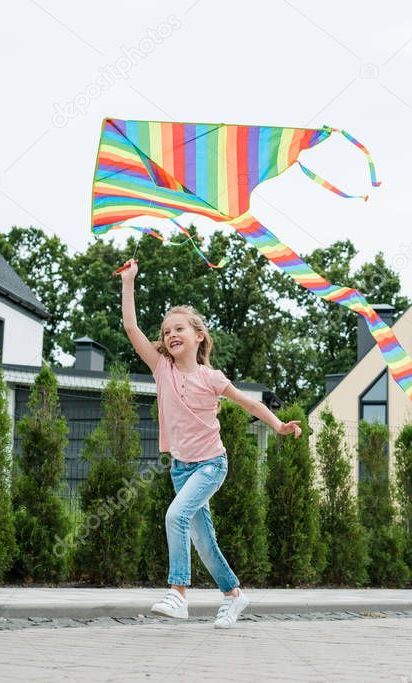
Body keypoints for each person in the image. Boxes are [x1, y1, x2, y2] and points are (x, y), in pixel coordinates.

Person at [119, 258, 302, 629]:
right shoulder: (161, 368)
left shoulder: (211, 377)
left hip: (210, 465)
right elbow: (130, 326)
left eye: (179, 328)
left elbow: (249, 402)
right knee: (203, 542)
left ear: (198, 336)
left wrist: (279, 425)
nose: (171, 335)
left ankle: (178, 594)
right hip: (181, 468)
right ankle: (234, 596)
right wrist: (129, 281)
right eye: (166, 331)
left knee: (175, 515)